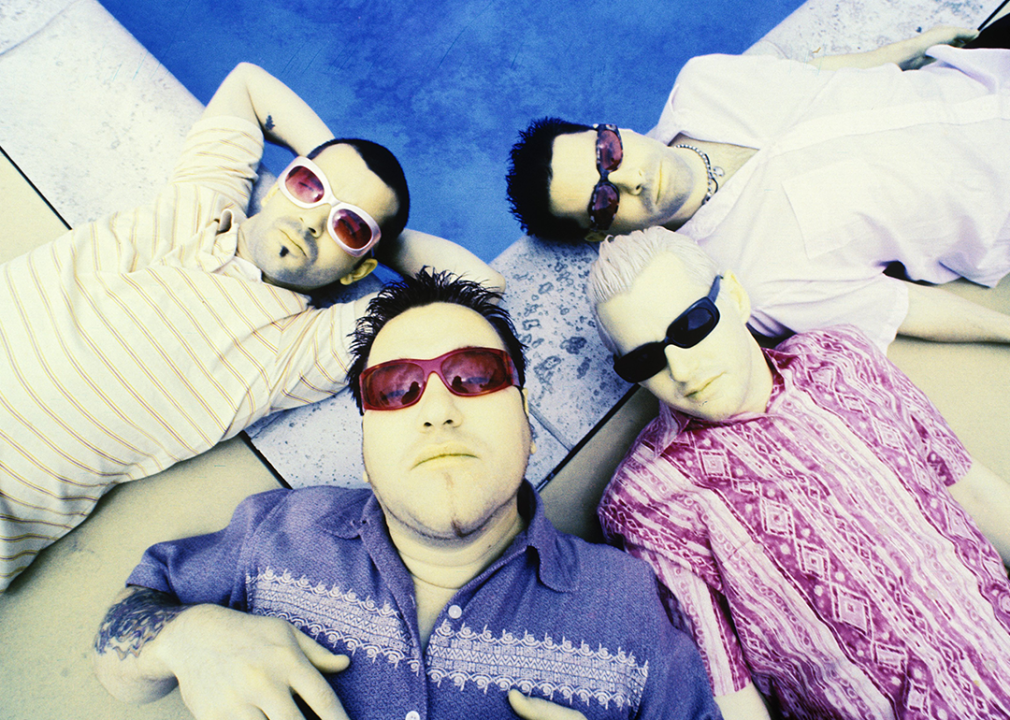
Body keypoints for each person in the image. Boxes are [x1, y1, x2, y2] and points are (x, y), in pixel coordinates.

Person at [90, 270, 722, 720]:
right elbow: (121, 640)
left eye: (474, 376)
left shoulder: (630, 605)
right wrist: (190, 637)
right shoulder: (277, 531)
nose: (438, 410)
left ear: (526, 419)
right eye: (396, 389)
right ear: (367, 434)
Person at [0, 62, 503, 591]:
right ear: (274, 189)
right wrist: (339, 180)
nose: (313, 220)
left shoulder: (296, 346)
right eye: (307, 187)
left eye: (346, 226)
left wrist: (379, 234)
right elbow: (246, 84)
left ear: (357, 271)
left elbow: (481, 284)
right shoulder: (197, 206)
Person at [586, 226, 1010, 720]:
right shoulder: (650, 505)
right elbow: (732, 696)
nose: (680, 369)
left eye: (692, 326)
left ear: (736, 297)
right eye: (644, 358)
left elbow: (972, 492)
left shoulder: (845, 362)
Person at [507, 23, 1010, 351]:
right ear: (600, 235)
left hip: (983, 73)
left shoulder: (704, 81)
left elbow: (813, 76)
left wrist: (909, 49)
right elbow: (901, 308)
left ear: (612, 129)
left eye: (607, 153)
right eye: (603, 199)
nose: (631, 177)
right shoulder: (750, 279)